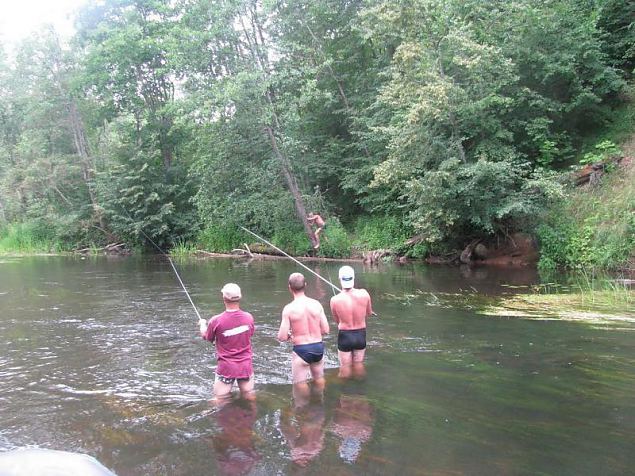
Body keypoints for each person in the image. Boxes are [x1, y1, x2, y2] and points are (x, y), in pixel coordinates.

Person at [199, 283, 255, 402]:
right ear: (240, 297)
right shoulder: (249, 317)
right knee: (250, 398)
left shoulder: (215, 321)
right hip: (245, 366)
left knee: (219, 400)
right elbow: (249, 334)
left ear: (223, 298)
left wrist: (202, 324)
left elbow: (207, 337)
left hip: (226, 368)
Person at [277, 272, 329, 397]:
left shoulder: (289, 309)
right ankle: (318, 401)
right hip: (318, 347)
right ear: (305, 285)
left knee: (300, 383)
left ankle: (304, 407)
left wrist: (290, 335)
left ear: (289, 287)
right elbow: (326, 330)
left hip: (302, 350)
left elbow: (282, 337)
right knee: (319, 378)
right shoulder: (316, 304)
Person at [329, 266, 373, 378]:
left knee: (345, 369)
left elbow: (337, 320)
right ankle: (360, 391)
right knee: (359, 366)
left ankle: (345, 393)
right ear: (353, 278)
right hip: (360, 335)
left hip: (345, 336)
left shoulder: (334, 300)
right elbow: (369, 313)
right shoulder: (364, 294)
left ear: (340, 279)